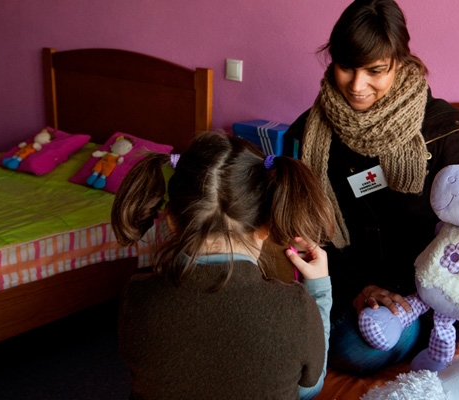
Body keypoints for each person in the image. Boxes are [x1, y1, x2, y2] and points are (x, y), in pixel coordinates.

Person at [285, 0, 459, 376]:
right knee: (316, 342)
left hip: (428, 288)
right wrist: (360, 289)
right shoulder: (310, 132)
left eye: (375, 70)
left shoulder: (441, 131)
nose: (357, 86)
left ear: (400, 62)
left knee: (356, 349)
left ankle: (412, 329)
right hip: (346, 283)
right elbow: (307, 231)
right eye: (345, 67)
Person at [112, 131, 336, 399]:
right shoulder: (295, 306)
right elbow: (310, 386)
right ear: (267, 225)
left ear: (171, 221)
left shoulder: (137, 295)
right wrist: (319, 290)